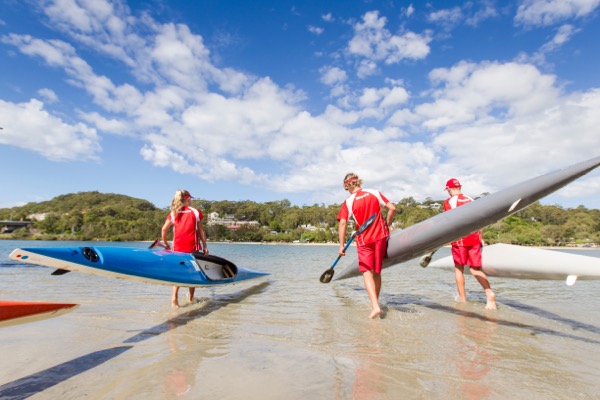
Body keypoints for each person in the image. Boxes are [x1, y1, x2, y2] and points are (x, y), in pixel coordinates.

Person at [337, 173, 396, 319]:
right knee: (377, 271)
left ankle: (375, 306)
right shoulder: (374, 193)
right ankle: (376, 304)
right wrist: (387, 224)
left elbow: (343, 223)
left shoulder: (348, 201)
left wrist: (342, 245)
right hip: (381, 236)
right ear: (358, 182)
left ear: (347, 186)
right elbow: (392, 208)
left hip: (364, 240)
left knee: (366, 272)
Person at [443, 178, 496, 310]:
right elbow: (480, 220)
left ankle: (463, 301)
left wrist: (448, 237)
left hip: (460, 239)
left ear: (449, 189)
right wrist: (481, 238)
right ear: (460, 187)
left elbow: (450, 222)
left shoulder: (449, 202)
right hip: (474, 237)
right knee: (474, 269)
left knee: (459, 268)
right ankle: (489, 293)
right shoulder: (470, 199)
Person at [161, 189, 208, 308]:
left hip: (177, 248)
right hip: (193, 247)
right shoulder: (196, 212)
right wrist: (205, 246)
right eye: (190, 198)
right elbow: (201, 231)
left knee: (178, 272)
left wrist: (166, 244)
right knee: (193, 273)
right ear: (187, 199)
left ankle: (174, 300)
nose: (191, 200)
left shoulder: (173, 213)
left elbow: (164, 229)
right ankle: (191, 298)